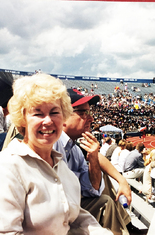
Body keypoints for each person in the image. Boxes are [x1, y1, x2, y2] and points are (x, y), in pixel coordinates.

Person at [0, 74, 112, 235]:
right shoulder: (3, 168)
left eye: (54, 112)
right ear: (22, 119)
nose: (48, 121)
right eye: (38, 113)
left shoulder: (61, 167)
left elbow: (73, 216)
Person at [54, 89, 144, 235]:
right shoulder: (51, 144)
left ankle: (126, 226)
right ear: (62, 117)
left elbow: (94, 188)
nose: (90, 119)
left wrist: (94, 158)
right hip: (54, 218)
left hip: (69, 210)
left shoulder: (74, 148)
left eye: (89, 113)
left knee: (105, 201)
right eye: (82, 113)